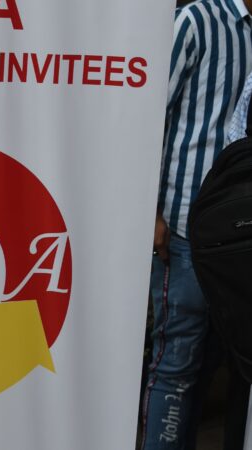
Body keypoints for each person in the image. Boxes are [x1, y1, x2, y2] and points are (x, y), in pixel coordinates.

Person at [141, 0, 252, 449]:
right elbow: (149, 112)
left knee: (220, 368)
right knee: (177, 367)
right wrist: (150, 211)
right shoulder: (197, 21)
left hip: (241, 243)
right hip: (184, 230)